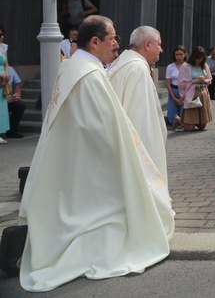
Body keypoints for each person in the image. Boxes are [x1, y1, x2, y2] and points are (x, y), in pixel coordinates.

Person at [16, 15, 174, 292]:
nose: (117, 43)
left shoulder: (73, 67)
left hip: (69, 156)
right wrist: (131, 157)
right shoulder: (89, 76)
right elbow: (103, 129)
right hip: (88, 163)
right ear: (95, 41)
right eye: (112, 38)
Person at [107, 26, 168, 182]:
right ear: (147, 44)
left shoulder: (123, 61)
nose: (161, 49)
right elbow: (141, 120)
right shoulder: (137, 68)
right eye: (159, 44)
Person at [175, 46, 213, 132]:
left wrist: (206, 81)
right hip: (192, 94)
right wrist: (194, 81)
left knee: (202, 126)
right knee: (190, 128)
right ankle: (178, 119)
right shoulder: (186, 67)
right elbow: (181, 83)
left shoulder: (204, 66)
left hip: (202, 92)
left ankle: (196, 120)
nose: (199, 60)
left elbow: (209, 78)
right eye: (198, 58)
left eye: (201, 58)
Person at [165, 45, 187, 126]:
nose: (179, 57)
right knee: (172, 117)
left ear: (185, 55)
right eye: (177, 55)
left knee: (183, 114)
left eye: (181, 54)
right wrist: (174, 98)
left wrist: (182, 97)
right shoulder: (170, 67)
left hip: (185, 91)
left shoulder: (187, 66)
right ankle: (174, 121)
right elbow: (168, 82)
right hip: (173, 90)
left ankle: (181, 121)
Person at [5, 66, 25, 138]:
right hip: (3, 101)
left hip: (9, 100)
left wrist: (17, 96)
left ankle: (12, 131)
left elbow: (16, 86)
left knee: (20, 105)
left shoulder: (10, 69)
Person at [0, 50, 10, 144]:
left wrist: (7, 75)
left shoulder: (2, 48)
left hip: (2, 80)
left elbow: (6, 64)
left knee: (1, 107)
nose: (2, 37)